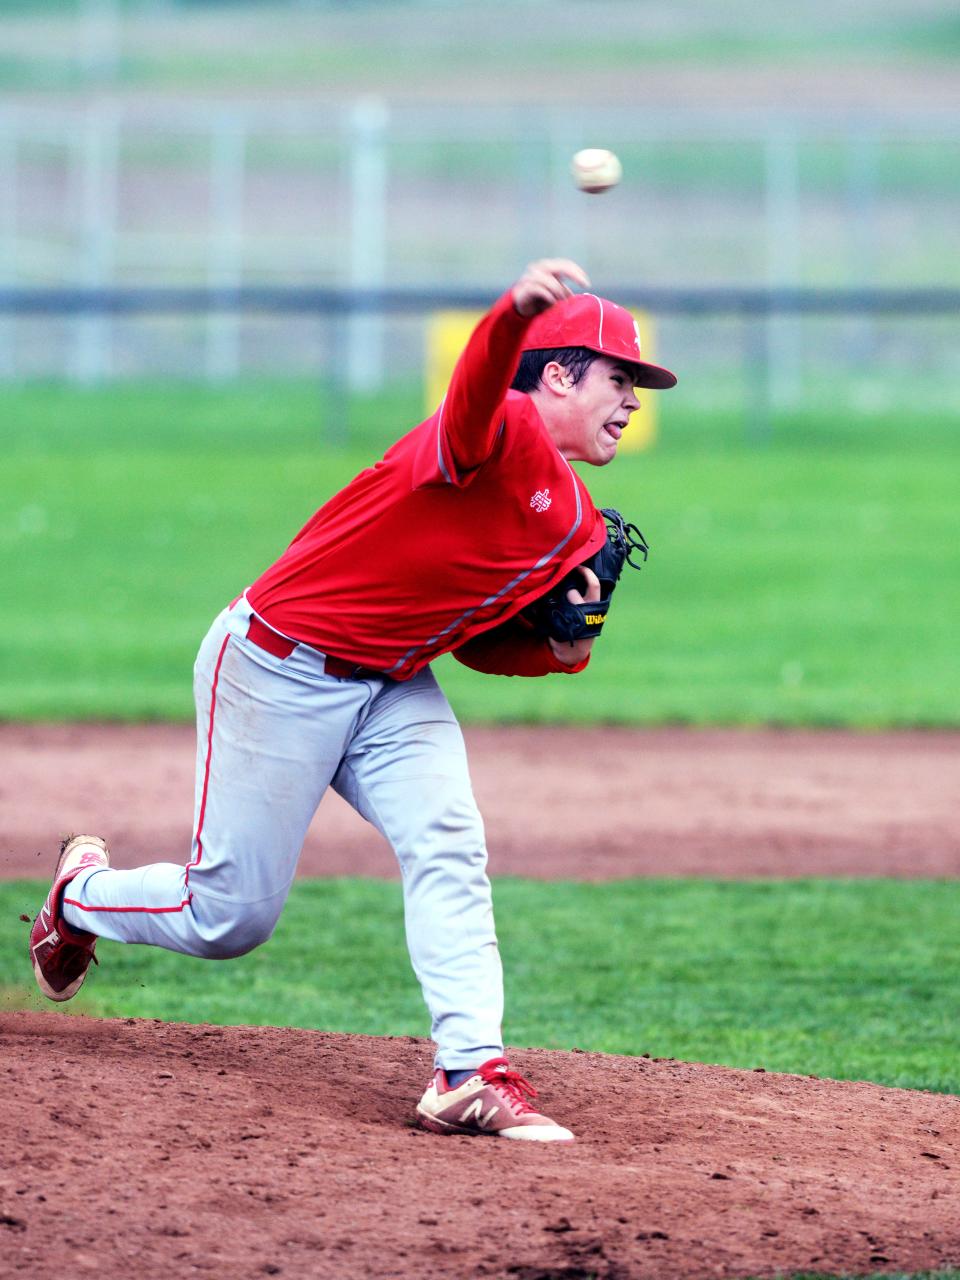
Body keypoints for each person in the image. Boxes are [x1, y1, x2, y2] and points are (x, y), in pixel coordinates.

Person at [30, 259, 676, 1143]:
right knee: (229, 919)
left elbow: (482, 642)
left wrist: (565, 650)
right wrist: (512, 311)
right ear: (555, 373)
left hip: (391, 681)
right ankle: (79, 898)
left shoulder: (573, 520)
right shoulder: (496, 427)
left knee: (449, 840)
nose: (635, 398)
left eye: (639, 384)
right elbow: (477, 391)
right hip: (275, 665)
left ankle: (468, 1072)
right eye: (619, 377)